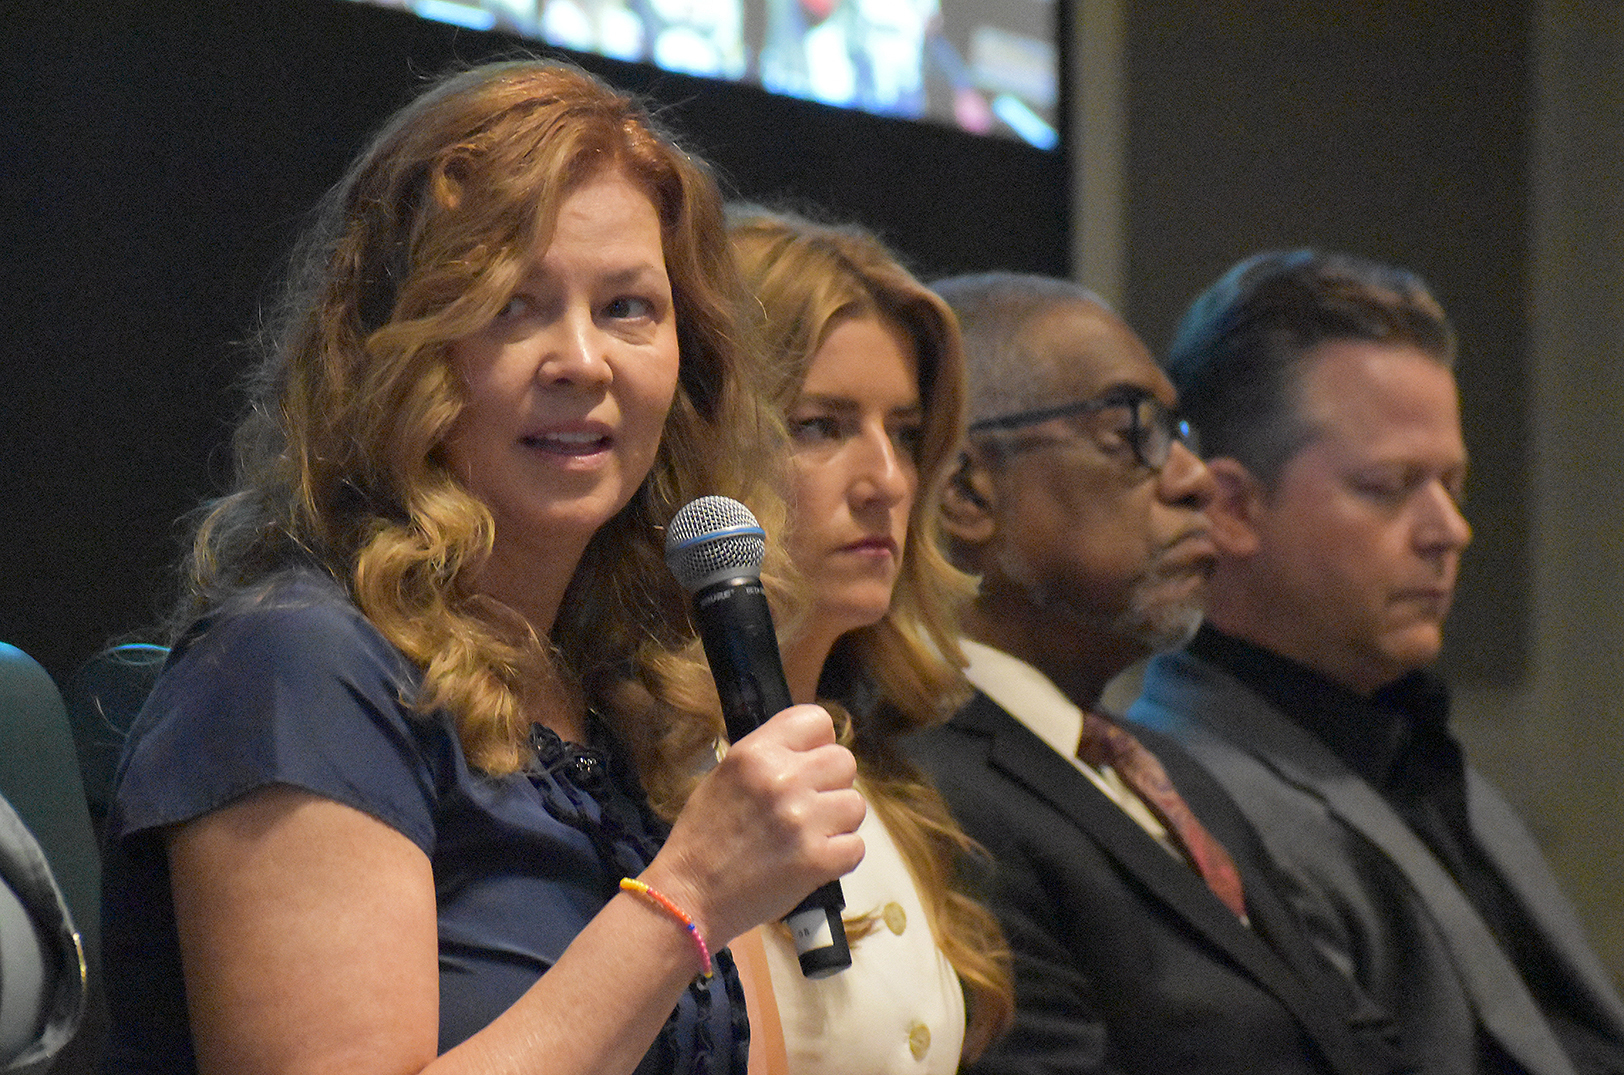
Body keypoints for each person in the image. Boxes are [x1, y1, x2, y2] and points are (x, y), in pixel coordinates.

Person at [99, 61, 866, 1075]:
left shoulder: (634, 695)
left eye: (628, 306)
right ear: (394, 346)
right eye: (512, 303)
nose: (582, 360)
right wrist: (687, 895)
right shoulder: (294, 668)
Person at [1129, 249, 1624, 1075]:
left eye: (1451, 484)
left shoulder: (1409, 746)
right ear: (1231, 507)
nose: (1449, 530)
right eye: (1389, 486)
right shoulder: (1192, 802)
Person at [904, 272, 1398, 1075]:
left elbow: (1350, 1035)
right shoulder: (930, 797)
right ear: (966, 488)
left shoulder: (1166, 770)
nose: (1196, 477)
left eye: (1179, 431)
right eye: (1131, 428)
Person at [721, 210, 1013, 1074]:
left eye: (906, 434)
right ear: (703, 443)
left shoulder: (882, 777)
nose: (886, 480)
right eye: (821, 425)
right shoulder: (631, 768)